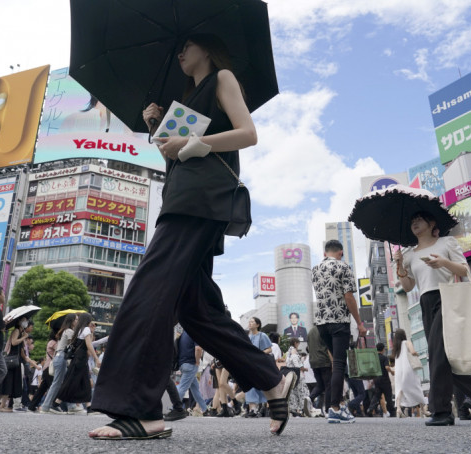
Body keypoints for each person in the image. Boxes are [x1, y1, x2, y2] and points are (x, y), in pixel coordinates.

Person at [88, 34, 296, 440]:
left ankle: (142, 412)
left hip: (199, 204)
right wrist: (158, 127)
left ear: (207, 46)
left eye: (186, 45)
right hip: (184, 198)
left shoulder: (222, 78)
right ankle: (270, 378)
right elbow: (174, 155)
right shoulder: (186, 100)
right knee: (197, 310)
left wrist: (192, 142)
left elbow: (248, 133)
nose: (180, 53)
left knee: (149, 292)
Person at [394, 211, 471, 426]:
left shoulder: (446, 243)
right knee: (440, 357)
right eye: (412, 220)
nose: (414, 223)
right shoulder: (410, 254)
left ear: (432, 224)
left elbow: (464, 268)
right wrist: (399, 265)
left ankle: (441, 410)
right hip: (425, 302)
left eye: (419, 219)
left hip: (447, 298)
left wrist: (443, 263)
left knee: (438, 355)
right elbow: (409, 286)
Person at [312, 239, 368, 424]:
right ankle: (334, 408)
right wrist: (359, 323)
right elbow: (349, 296)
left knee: (336, 363)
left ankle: (339, 403)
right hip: (338, 320)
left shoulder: (315, 269)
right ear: (341, 252)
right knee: (338, 364)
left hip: (321, 322)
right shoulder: (344, 267)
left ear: (324, 253)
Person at [57, 313, 101, 411]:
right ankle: (56, 402)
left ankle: (89, 406)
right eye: (90, 320)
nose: (91, 322)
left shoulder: (79, 329)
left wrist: (92, 331)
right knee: (71, 381)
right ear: (87, 320)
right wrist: (96, 358)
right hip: (81, 358)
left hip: (78, 358)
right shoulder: (86, 329)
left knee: (84, 381)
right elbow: (89, 345)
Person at [41, 313, 78, 414]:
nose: (77, 321)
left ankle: (71, 406)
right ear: (72, 321)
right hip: (62, 357)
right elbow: (72, 346)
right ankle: (45, 406)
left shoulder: (64, 331)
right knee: (57, 383)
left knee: (65, 382)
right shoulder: (69, 331)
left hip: (59, 357)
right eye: (76, 319)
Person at [175, 330, 210, 416]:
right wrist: (197, 361)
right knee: (182, 388)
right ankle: (174, 409)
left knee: (195, 389)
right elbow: (198, 348)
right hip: (191, 364)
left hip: (183, 364)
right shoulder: (195, 333)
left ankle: (205, 409)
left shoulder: (183, 334)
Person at [390, 330, 424, 417]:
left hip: (399, 371)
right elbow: (413, 352)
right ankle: (423, 409)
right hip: (408, 369)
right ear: (404, 335)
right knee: (416, 387)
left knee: (400, 389)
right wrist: (417, 354)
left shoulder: (396, 347)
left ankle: (398, 409)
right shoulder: (407, 342)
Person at [307, 324, 332, 413]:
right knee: (329, 385)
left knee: (321, 385)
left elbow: (309, 348)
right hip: (324, 360)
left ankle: (309, 398)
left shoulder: (310, 332)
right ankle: (329, 409)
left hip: (313, 361)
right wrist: (332, 362)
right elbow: (328, 347)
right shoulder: (324, 331)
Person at [367, 343, 395, 417]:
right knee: (388, 396)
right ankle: (392, 412)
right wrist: (392, 372)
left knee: (376, 395)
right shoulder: (384, 358)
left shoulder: (374, 359)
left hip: (377, 380)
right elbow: (387, 367)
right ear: (383, 349)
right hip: (385, 380)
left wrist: (372, 381)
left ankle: (370, 408)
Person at [285, 338, 309, 417]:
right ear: (295, 343)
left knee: (293, 392)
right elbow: (296, 362)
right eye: (298, 343)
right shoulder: (293, 351)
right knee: (302, 392)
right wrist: (303, 368)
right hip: (297, 374)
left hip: (290, 374)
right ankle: (302, 409)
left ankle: (294, 409)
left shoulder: (288, 351)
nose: (298, 345)